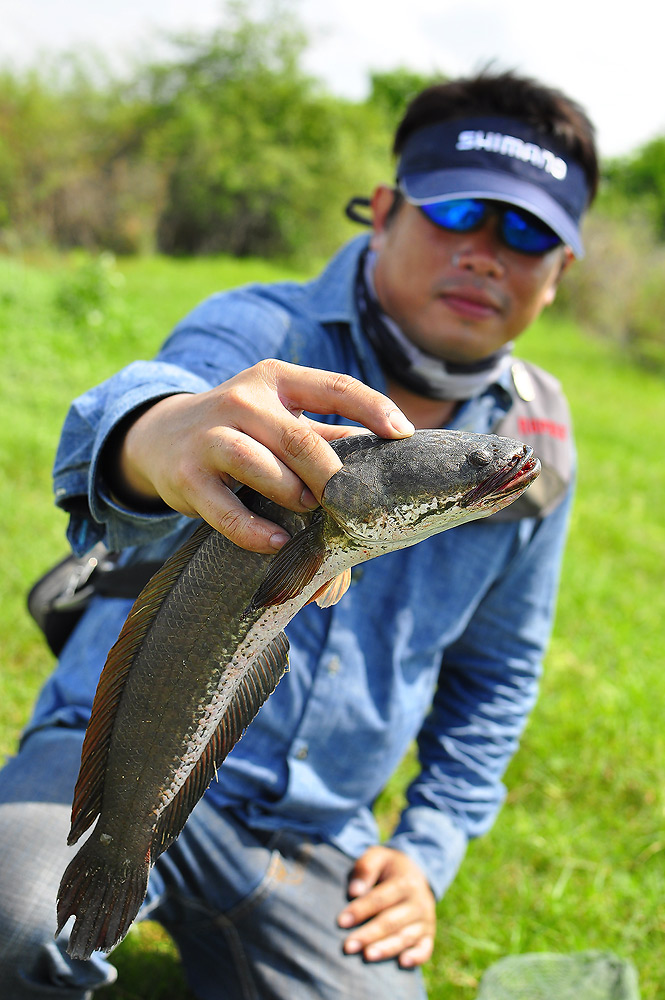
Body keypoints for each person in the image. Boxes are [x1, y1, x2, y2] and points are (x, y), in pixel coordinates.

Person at [0, 69, 599, 1000]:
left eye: (529, 233)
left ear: (560, 273)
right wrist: (157, 436)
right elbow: (133, 416)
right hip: (108, 757)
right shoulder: (259, 329)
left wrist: (425, 851)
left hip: (314, 832)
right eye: (458, 213)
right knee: (12, 919)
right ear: (388, 210)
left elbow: (498, 679)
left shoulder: (538, 447)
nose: (486, 252)